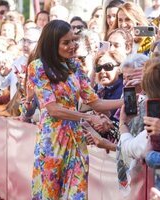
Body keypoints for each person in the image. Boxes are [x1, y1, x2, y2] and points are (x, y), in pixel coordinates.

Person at [27, 19, 123, 199]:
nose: (72, 46)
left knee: (77, 195)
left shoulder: (76, 67)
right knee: (50, 194)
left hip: (75, 140)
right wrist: (87, 118)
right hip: (52, 140)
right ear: (52, 44)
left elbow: (96, 103)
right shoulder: (37, 68)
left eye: (73, 40)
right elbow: (53, 109)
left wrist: (125, 101)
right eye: (66, 42)